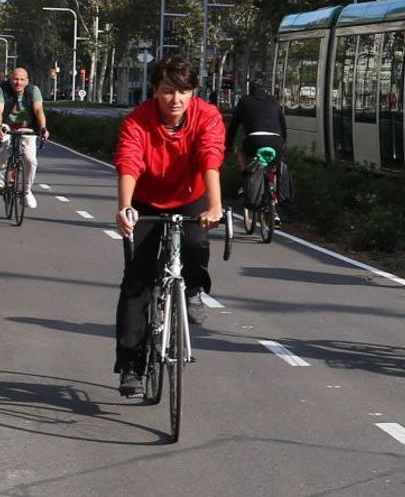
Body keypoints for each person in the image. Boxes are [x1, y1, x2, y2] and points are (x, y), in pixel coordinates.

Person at [112, 56, 225, 397]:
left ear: (193, 94)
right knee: (136, 281)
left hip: (190, 196)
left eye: (183, 92)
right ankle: (131, 365)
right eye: (167, 92)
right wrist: (125, 207)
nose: (175, 100)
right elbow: (129, 161)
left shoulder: (207, 116)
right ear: (155, 92)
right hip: (146, 200)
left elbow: (211, 156)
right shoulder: (138, 121)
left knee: (196, 244)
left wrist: (215, 206)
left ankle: (193, 290)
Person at [0, 67, 50, 209]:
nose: (18, 82)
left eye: (22, 79)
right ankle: (1, 175)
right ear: (10, 79)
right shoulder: (2, 89)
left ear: (27, 81)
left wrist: (43, 128)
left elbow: (38, 110)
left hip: (27, 127)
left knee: (30, 159)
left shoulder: (33, 91)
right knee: (2, 136)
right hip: (7, 124)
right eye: (15, 79)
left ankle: (26, 191)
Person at [225, 75, 286, 171]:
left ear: (250, 90)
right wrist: (283, 142)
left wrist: (228, 145)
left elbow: (234, 125)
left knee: (241, 152)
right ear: (264, 89)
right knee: (277, 162)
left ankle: (246, 177)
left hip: (254, 141)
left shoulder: (244, 101)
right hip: (276, 141)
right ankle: (277, 178)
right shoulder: (273, 100)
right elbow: (283, 125)